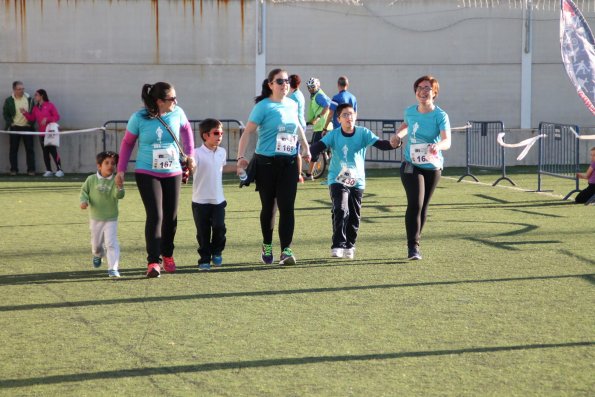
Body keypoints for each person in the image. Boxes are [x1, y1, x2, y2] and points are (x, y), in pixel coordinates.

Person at [116, 82, 195, 278]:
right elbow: (127, 143)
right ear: (159, 101)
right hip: (146, 171)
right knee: (155, 216)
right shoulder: (139, 118)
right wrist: (121, 170)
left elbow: (187, 131)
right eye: (171, 99)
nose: (175, 101)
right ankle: (153, 261)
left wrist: (190, 154)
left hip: (173, 171)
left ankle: (167, 254)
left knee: (171, 216)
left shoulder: (178, 113)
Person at [236, 68, 311, 266]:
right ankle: (267, 245)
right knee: (269, 208)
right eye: (279, 81)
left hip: (289, 163)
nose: (284, 84)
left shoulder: (292, 104)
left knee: (288, 207)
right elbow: (247, 132)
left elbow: (297, 127)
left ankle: (286, 250)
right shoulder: (263, 106)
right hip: (266, 164)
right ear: (270, 84)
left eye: (286, 81)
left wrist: (305, 146)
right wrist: (240, 157)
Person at [310, 103, 400, 259]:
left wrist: (394, 144)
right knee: (340, 208)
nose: (348, 117)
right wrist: (305, 150)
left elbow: (381, 144)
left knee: (354, 214)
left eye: (351, 114)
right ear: (338, 119)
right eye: (344, 115)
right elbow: (317, 147)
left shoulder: (363, 133)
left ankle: (350, 245)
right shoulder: (334, 135)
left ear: (355, 116)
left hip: (357, 181)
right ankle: (338, 244)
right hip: (337, 179)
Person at [391, 75, 451, 260]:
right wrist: (397, 136)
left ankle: (416, 239)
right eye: (419, 88)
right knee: (415, 203)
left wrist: (437, 146)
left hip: (432, 166)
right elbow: (406, 126)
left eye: (427, 88)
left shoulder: (440, 115)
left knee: (423, 206)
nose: (423, 91)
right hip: (411, 163)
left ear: (434, 93)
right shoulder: (410, 111)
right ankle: (413, 247)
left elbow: (447, 141)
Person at [192, 118, 236, 271]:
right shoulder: (196, 153)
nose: (220, 136)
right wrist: (188, 165)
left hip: (218, 200)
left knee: (219, 227)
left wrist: (240, 167)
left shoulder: (222, 152)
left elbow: (222, 168)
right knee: (203, 233)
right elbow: (191, 166)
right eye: (216, 133)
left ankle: (217, 251)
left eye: (221, 133)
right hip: (200, 201)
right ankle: (204, 259)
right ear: (205, 135)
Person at [80, 151, 125, 278]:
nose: (110, 166)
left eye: (113, 164)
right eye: (107, 163)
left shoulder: (116, 179)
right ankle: (97, 255)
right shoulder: (91, 179)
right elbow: (84, 191)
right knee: (96, 245)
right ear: (99, 166)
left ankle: (113, 268)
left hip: (111, 218)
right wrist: (83, 201)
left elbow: (119, 196)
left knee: (111, 243)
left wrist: (120, 187)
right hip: (96, 218)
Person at [21, 89, 64, 177]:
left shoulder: (50, 105)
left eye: (36, 95)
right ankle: (49, 170)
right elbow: (32, 118)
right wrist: (25, 113)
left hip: (50, 133)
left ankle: (60, 170)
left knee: (53, 151)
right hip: (41, 133)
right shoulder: (35, 108)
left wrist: (47, 119)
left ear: (42, 96)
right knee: (45, 152)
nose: (35, 97)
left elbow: (57, 117)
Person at [3, 81, 35, 175]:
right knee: (13, 149)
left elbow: (34, 113)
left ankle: (31, 170)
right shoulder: (9, 100)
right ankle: (13, 170)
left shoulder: (29, 99)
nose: (21, 90)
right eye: (19, 89)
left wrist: (31, 123)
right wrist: (10, 123)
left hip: (27, 127)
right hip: (14, 128)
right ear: (14, 90)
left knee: (30, 149)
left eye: (22, 89)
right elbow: (5, 114)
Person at [305, 77, 332, 180]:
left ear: (318, 86)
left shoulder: (318, 96)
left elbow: (327, 105)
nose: (310, 89)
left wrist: (318, 118)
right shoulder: (319, 95)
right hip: (325, 127)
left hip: (321, 127)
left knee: (313, 151)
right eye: (309, 87)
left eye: (312, 87)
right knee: (318, 149)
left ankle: (309, 174)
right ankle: (326, 153)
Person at [288, 74, 307, 183]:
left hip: (297, 125)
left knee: (295, 150)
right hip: (301, 123)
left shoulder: (293, 97)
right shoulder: (300, 94)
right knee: (296, 149)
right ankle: (297, 173)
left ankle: (298, 175)